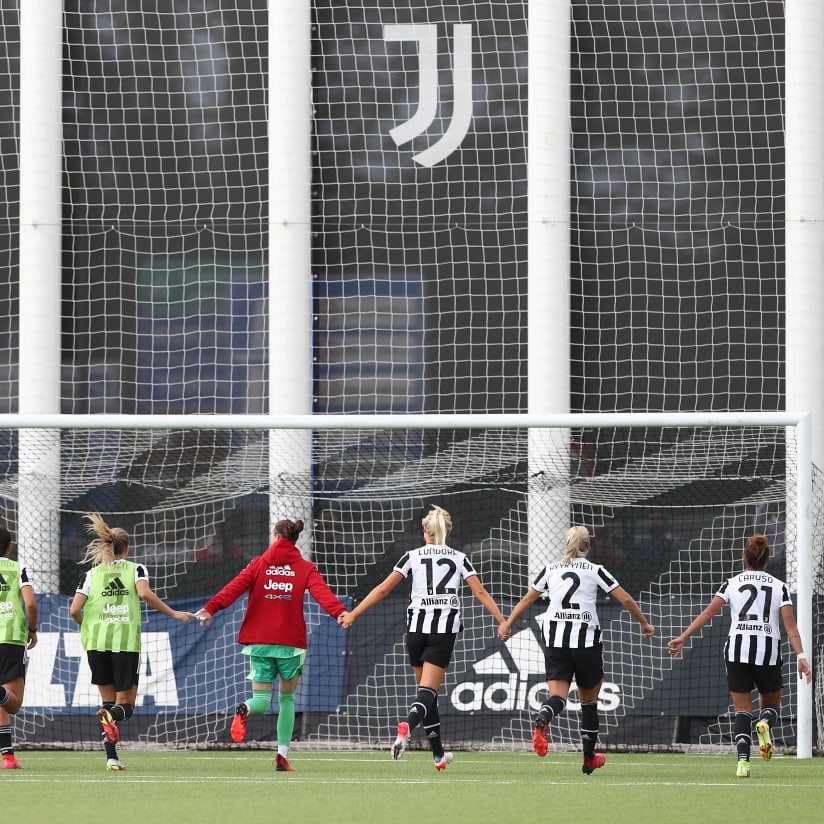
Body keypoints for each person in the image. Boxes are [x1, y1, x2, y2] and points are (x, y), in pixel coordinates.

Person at [338, 504, 507, 771]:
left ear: (424, 530)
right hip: (443, 631)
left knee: (426, 694)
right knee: (427, 693)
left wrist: (353, 614)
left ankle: (438, 756)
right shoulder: (459, 558)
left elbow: (383, 589)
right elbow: (481, 593)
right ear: (447, 531)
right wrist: (502, 621)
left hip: (416, 630)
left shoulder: (411, 556)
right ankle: (406, 727)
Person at [497, 525, 654, 775]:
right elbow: (624, 598)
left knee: (558, 697)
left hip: (556, 641)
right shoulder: (595, 570)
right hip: (586, 642)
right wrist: (644, 622)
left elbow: (528, 599)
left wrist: (507, 624)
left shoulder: (551, 569)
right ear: (588, 547)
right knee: (589, 703)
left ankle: (544, 717)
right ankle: (589, 758)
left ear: (566, 546)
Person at [196, 518, 346, 772]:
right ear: (295, 539)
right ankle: (282, 757)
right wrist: (340, 612)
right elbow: (323, 594)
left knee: (262, 700)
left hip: (260, 642)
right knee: (287, 699)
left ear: (275, 536)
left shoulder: (258, 564)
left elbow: (233, 588)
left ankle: (245, 708)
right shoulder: (306, 568)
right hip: (290, 644)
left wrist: (211, 608)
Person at [668, 533, 812, 778]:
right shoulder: (780, 586)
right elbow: (789, 623)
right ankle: (765, 723)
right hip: (767, 651)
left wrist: (684, 636)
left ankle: (743, 763)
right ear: (767, 561)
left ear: (745, 557)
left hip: (737, 650)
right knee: (772, 704)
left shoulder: (731, 582)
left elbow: (708, 613)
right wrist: (801, 655)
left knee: (742, 711)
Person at [69, 514, 195, 771]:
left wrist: (88, 625)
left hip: (96, 642)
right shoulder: (135, 568)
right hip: (124, 642)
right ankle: (111, 718)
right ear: (126, 548)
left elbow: (73, 610)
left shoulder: (91, 574)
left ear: (107, 546)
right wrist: (173, 613)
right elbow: (144, 593)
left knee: (107, 700)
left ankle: (112, 758)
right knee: (124, 705)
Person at [0, 526, 38, 770]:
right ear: (10, 547)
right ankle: (8, 757)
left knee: (3, 700)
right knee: (13, 703)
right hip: (11, 637)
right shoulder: (17, 568)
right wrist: (32, 630)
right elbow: (30, 603)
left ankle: (8, 757)